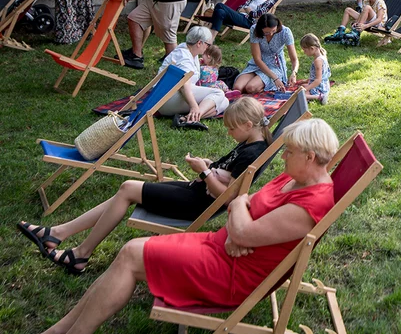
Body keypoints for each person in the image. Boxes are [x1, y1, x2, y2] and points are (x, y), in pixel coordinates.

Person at [36, 118, 337, 333]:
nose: (283, 156)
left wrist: (238, 215)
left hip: (233, 273)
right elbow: (244, 206)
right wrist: (237, 222)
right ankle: (63, 328)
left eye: (289, 152)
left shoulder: (309, 204)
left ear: (310, 157)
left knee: (130, 254)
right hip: (223, 247)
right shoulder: (294, 177)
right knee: (129, 253)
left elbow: (244, 219)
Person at [15, 97, 271, 274]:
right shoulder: (250, 142)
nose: (228, 133)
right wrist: (208, 165)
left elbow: (226, 198)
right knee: (125, 191)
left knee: (128, 188)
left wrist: (204, 172)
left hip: (197, 204)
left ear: (248, 125)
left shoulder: (252, 153)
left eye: (231, 129)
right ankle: (57, 233)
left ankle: (80, 254)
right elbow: (225, 172)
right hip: (194, 192)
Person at [158, 26, 229, 129]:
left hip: (172, 95)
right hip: (166, 99)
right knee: (218, 93)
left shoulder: (190, 52)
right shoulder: (184, 57)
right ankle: (192, 117)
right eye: (208, 44)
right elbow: (184, 85)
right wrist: (194, 106)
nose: (208, 48)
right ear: (199, 43)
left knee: (224, 102)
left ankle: (186, 119)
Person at [234, 14, 299, 94]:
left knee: (250, 88)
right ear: (260, 29)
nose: (271, 34)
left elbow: (294, 59)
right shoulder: (254, 29)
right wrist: (275, 78)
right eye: (267, 32)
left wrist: (294, 73)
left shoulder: (285, 32)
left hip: (274, 66)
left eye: (273, 31)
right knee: (237, 88)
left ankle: (262, 87)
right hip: (257, 64)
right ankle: (263, 86)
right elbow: (257, 59)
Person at [208, 0, 275, 40]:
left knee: (220, 5)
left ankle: (208, 31)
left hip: (249, 22)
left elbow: (256, 15)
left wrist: (247, 10)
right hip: (240, 16)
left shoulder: (270, 2)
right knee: (220, 12)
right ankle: (212, 38)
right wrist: (248, 10)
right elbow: (239, 8)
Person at [298, 33, 331, 104]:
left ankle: (320, 97)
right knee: (301, 86)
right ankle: (314, 95)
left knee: (299, 95)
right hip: (324, 85)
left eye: (305, 50)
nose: (304, 52)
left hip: (320, 88)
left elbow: (318, 80)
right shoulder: (322, 56)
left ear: (312, 48)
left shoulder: (318, 61)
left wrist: (306, 89)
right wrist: (305, 81)